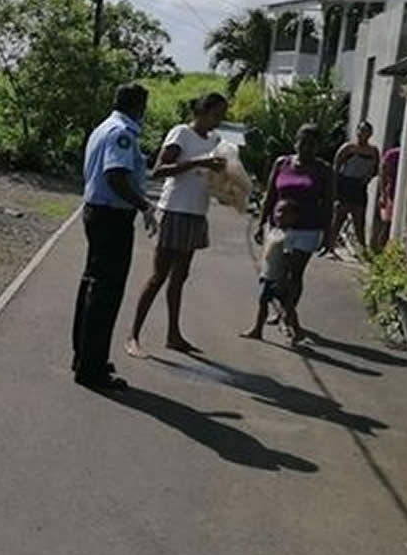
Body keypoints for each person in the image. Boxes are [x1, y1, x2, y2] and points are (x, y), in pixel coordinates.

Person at [125, 93, 228, 357]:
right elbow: (159, 170)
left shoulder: (214, 140)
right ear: (202, 112)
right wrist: (198, 162)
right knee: (159, 276)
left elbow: (211, 175)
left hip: (196, 212)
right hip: (174, 210)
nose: (219, 120)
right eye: (216, 114)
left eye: (222, 115)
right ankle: (133, 335)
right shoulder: (181, 133)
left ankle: (173, 334)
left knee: (180, 277)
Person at [71, 83, 158, 391]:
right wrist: (144, 204)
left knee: (92, 286)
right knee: (105, 294)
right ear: (138, 106)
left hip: (98, 212)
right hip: (111, 217)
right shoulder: (122, 133)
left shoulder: (105, 127)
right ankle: (91, 369)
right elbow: (115, 176)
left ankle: (85, 357)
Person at [255, 123, 334, 339]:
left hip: (308, 229)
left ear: (318, 146)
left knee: (293, 274)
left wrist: (329, 234)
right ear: (296, 141)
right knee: (275, 273)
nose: (306, 147)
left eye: (312, 144)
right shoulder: (282, 163)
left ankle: (288, 315)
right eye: (303, 142)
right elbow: (270, 195)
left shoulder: (324, 170)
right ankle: (285, 312)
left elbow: (328, 204)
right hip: (279, 228)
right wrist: (261, 223)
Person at [241, 200, 302, 344]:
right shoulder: (274, 231)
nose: (281, 215)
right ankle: (257, 329)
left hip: (278, 278)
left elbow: (288, 259)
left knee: (287, 306)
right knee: (264, 302)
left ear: (294, 217)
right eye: (278, 211)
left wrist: (283, 279)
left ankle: (297, 331)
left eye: (286, 213)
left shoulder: (288, 236)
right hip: (267, 274)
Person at [327, 120, 380, 254]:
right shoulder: (348, 148)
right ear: (357, 132)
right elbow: (336, 166)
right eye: (361, 130)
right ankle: (330, 246)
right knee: (339, 217)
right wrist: (335, 186)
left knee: (359, 219)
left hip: (359, 187)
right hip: (346, 184)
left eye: (366, 131)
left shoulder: (373, 151)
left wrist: (368, 177)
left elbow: (376, 169)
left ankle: (363, 249)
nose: (363, 134)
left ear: (370, 134)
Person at [373, 145, 401, 251]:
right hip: (391, 195)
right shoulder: (393, 155)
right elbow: (383, 175)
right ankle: (380, 251)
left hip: (397, 193)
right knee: (387, 225)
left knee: (388, 226)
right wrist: (383, 195)